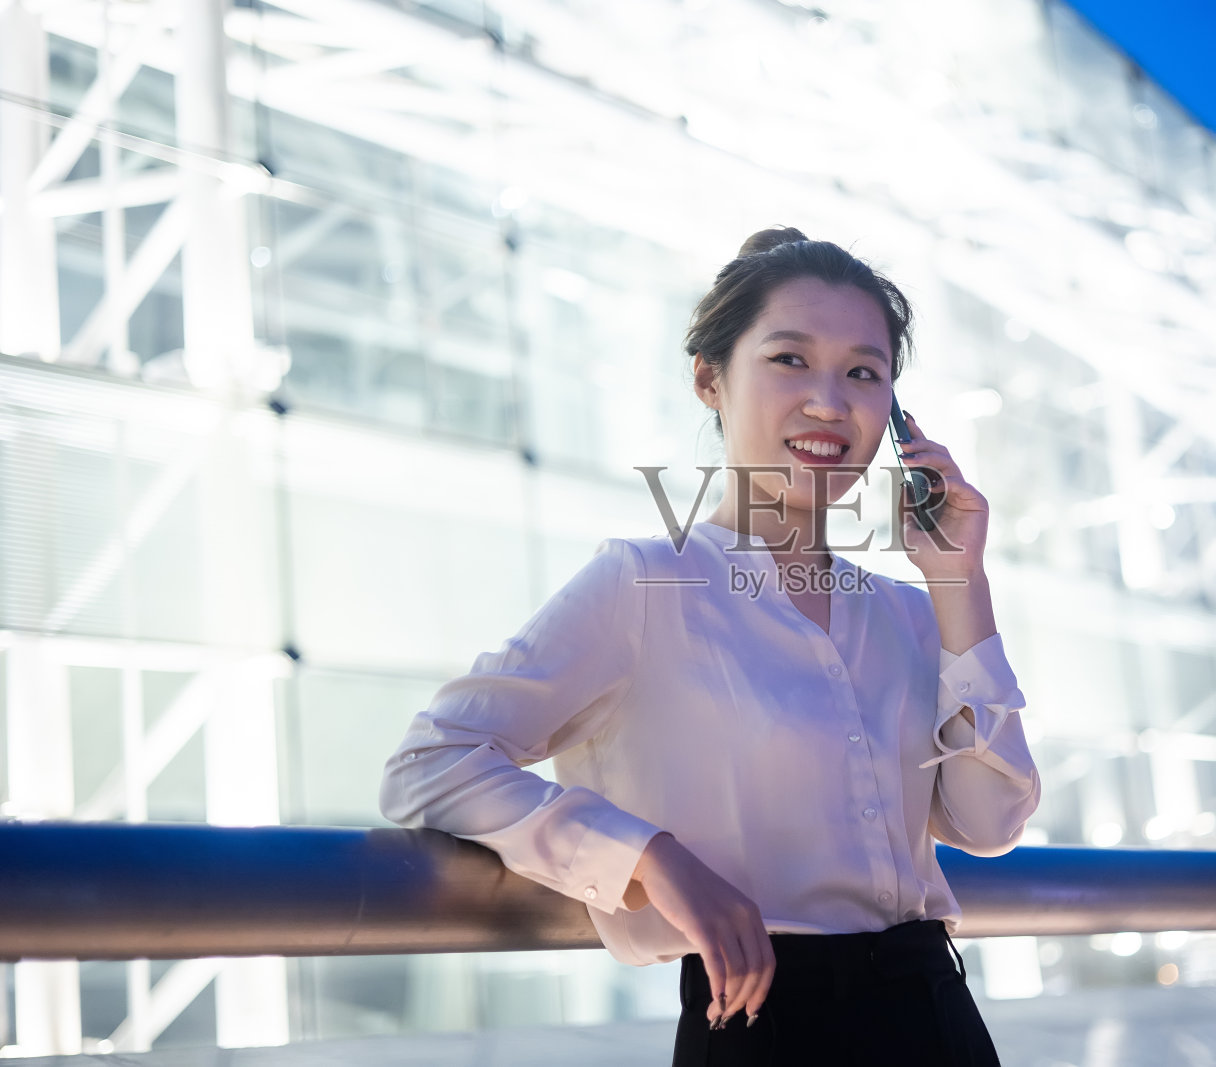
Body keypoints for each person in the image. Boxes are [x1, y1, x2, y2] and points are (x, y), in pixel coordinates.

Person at [378, 226, 1042, 1066]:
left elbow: (990, 822)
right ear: (709, 379)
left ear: (896, 419)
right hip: (763, 1026)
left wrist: (959, 580)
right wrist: (650, 859)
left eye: (863, 373)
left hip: (938, 1018)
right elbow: (432, 760)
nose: (829, 402)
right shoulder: (643, 584)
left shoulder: (912, 614)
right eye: (790, 360)